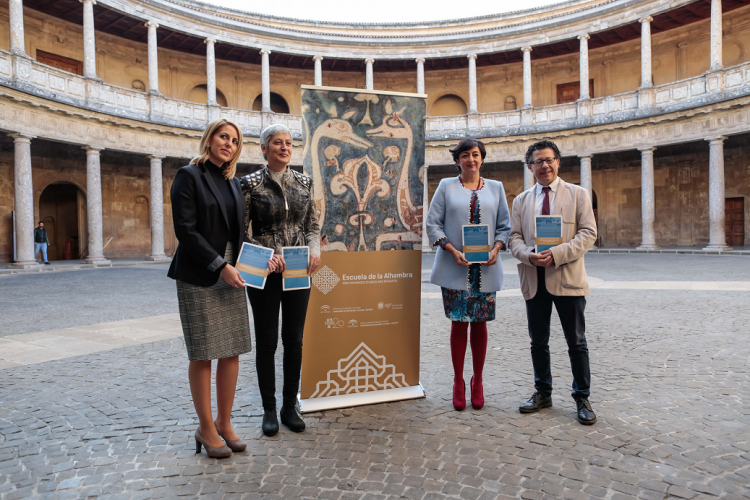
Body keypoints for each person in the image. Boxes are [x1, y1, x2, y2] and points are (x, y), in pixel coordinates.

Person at [168, 118, 257, 458]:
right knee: (204, 351)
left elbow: (240, 235)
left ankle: (224, 422)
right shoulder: (189, 176)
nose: (229, 144)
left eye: (235, 141)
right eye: (224, 137)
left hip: (233, 271)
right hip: (201, 273)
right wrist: (221, 266)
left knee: (231, 348)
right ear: (210, 139)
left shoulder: (231, 182)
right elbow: (185, 231)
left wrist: (265, 259)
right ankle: (205, 428)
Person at [508, 140, 598, 425]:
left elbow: (588, 234)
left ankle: (582, 396)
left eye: (549, 160)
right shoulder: (521, 201)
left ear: (558, 161)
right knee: (538, 342)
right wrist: (529, 256)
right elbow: (514, 238)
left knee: (577, 341)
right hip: (534, 279)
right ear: (530, 166)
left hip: (567, 277)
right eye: (538, 161)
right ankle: (543, 392)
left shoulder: (578, 194)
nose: (544, 166)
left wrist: (557, 254)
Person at [241, 124, 321, 436]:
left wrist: (315, 250)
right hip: (264, 270)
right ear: (264, 148)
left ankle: (290, 406)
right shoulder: (249, 183)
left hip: (299, 267)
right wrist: (265, 253)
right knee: (267, 341)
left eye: (288, 143)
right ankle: (269, 409)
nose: (284, 147)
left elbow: (312, 224)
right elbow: (241, 229)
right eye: (277, 143)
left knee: (295, 339)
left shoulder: (304, 181)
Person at [426, 138, 511, 411]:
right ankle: (458, 381)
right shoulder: (445, 186)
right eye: (465, 155)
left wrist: (497, 249)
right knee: (459, 323)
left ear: (482, 159)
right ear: (457, 160)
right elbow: (433, 224)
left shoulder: (496, 188)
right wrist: (451, 250)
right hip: (456, 266)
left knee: (480, 324)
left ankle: (478, 380)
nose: (470, 159)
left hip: (485, 268)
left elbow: (504, 227)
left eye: (475, 154)